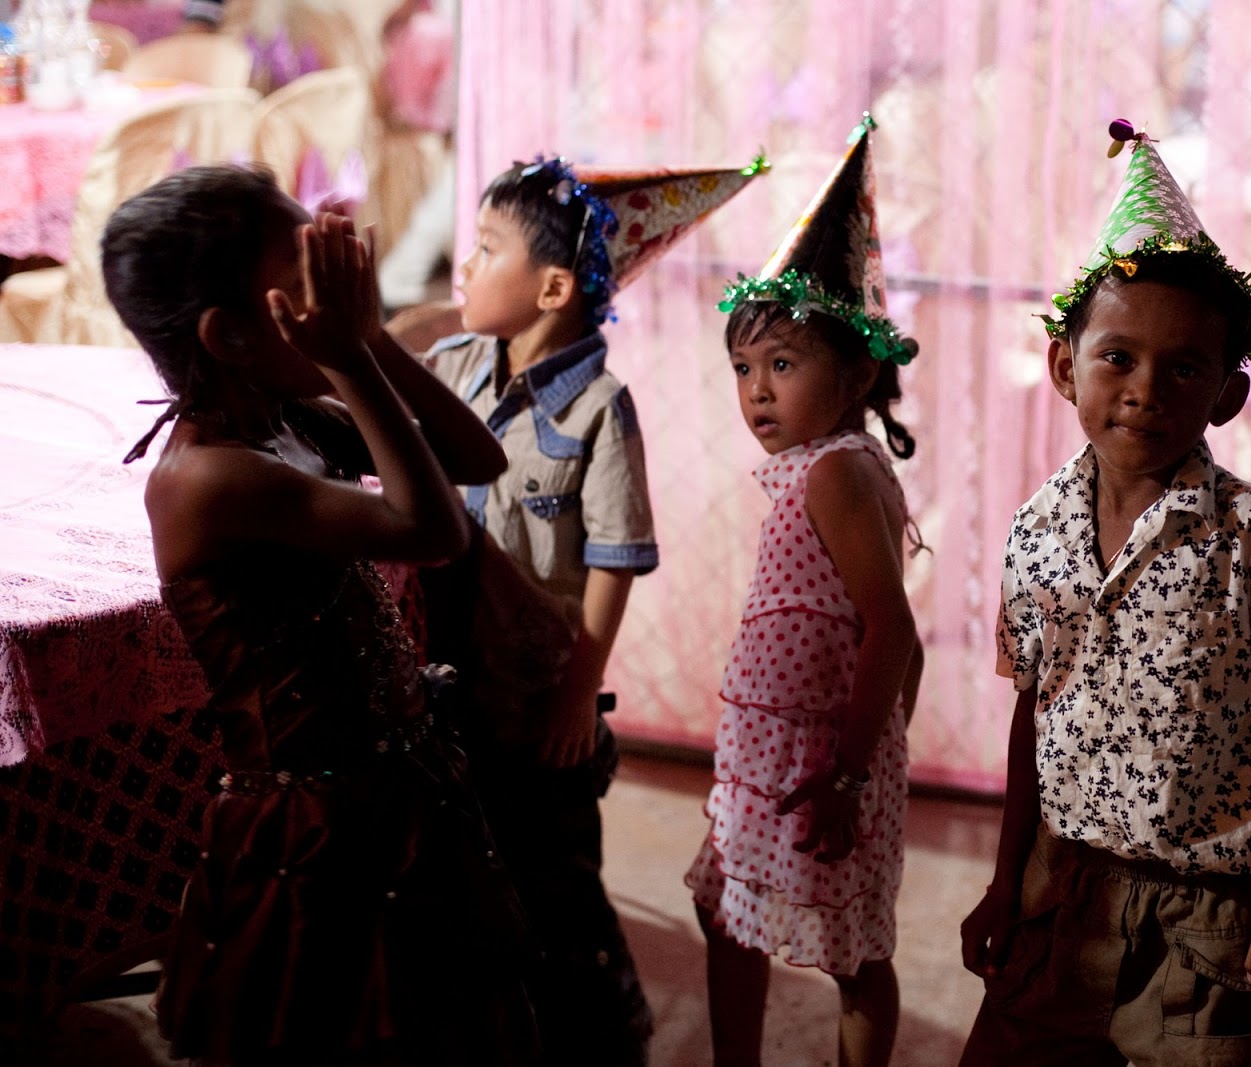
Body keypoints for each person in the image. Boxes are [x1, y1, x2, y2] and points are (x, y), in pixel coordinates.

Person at [103, 165, 540, 1065]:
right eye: (307, 288)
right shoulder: (209, 478)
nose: (333, 303)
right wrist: (348, 353)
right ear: (229, 335)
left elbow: (476, 458)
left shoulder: (287, 417)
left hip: (396, 786)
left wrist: (365, 338)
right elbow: (434, 529)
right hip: (315, 830)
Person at [957, 121, 1251, 1067]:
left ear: (1227, 395)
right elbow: (1032, 707)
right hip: (1062, 893)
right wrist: (1006, 879)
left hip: (1214, 921)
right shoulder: (1035, 529)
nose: (1145, 390)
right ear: (1065, 367)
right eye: (1117, 358)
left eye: (1184, 368)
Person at [422, 153, 765, 1065]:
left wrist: (579, 693)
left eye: (486, 248)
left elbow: (614, 562)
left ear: (552, 288)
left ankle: (603, 1039)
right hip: (452, 683)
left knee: (556, 882)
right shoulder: (452, 368)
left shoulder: (600, 411)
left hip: (539, 693)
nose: (464, 266)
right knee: (468, 872)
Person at [685, 115, 925, 1067]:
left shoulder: (836, 471)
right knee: (726, 914)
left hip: (817, 767)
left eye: (782, 364)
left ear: (858, 368)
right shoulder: (823, 466)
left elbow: (892, 629)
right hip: (775, 759)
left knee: (851, 954)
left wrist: (858, 771)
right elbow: (897, 640)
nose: (756, 390)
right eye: (744, 368)